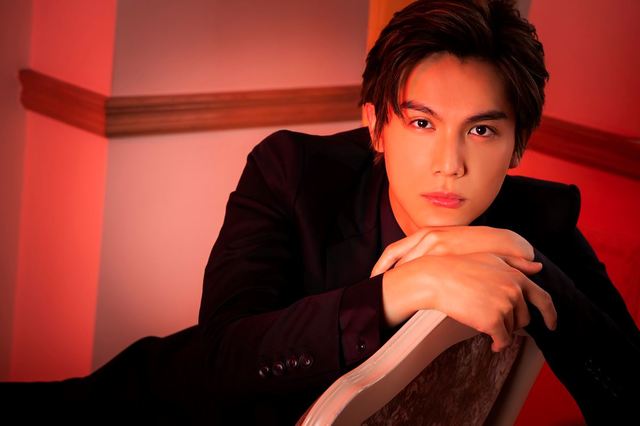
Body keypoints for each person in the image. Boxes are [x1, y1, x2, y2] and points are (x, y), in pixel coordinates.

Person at [2, 0, 639, 424]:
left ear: (517, 147)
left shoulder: (535, 223)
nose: (450, 164)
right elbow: (221, 359)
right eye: (421, 123)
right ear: (377, 127)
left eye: (481, 131)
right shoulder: (290, 172)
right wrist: (398, 291)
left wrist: (530, 264)